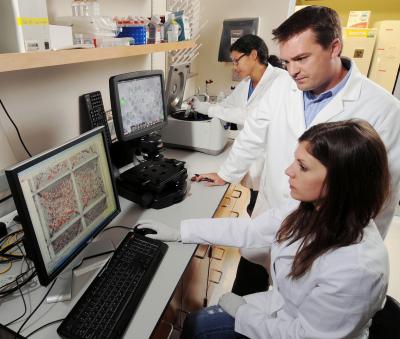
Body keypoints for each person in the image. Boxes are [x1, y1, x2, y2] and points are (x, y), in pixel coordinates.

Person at [192, 6, 400, 296]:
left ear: (334, 47)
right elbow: (253, 133)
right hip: (272, 212)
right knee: (246, 288)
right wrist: (226, 173)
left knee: (297, 311)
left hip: (325, 239)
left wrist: (358, 260)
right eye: (287, 61)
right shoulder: (282, 87)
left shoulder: (382, 108)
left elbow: (383, 195)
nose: (292, 71)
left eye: (302, 59)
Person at [139, 120, 390, 339]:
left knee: (201, 327)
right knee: (197, 321)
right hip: (284, 310)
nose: (288, 171)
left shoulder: (357, 269)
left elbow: (304, 337)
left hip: (297, 333)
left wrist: (244, 313)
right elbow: (249, 230)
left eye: (302, 167)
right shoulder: (310, 209)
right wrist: (180, 231)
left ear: (342, 182)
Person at [192, 34, 286, 199]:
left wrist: (207, 109)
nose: (234, 67)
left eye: (237, 60)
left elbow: (249, 117)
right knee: (253, 205)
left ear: (253, 55)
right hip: (250, 159)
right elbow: (227, 105)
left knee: (269, 212)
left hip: (274, 165)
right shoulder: (245, 84)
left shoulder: (280, 80)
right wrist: (201, 106)